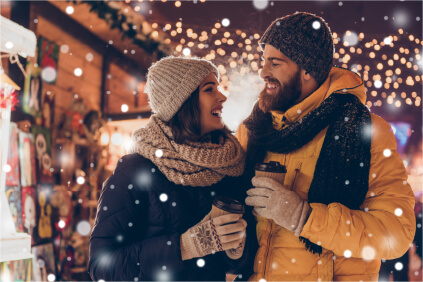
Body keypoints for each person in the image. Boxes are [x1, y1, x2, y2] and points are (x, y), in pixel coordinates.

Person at [236, 12, 416, 281]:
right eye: (263, 61)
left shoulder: (366, 131)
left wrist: (304, 217)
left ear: (308, 70)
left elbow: (396, 235)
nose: (263, 72)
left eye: (275, 63)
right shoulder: (253, 130)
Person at [89, 56, 251, 281]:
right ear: (183, 101)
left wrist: (237, 251)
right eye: (209, 89)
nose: (222, 96)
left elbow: (235, 268)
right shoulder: (136, 169)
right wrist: (185, 246)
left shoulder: (227, 167)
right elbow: (102, 268)